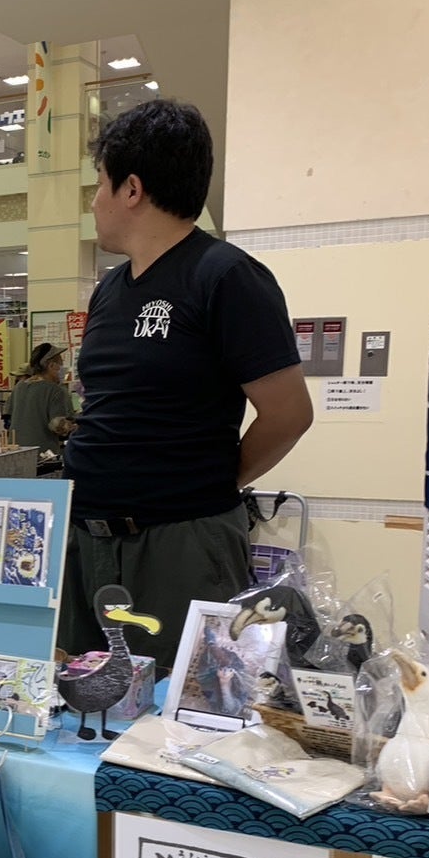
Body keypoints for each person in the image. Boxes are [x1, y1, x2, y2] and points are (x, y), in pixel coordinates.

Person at [60, 100, 312, 672]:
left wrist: (209, 483)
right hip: (89, 539)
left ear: (131, 189)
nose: (94, 202)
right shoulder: (110, 289)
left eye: (98, 184)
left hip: (179, 544)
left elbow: (289, 414)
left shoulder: (226, 276)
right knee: (84, 695)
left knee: (178, 702)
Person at [9, 342, 77, 458]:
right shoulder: (55, 390)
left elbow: (10, 416)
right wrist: (75, 426)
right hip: (43, 455)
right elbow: (58, 426)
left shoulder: (19, 386)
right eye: (60, 364)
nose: (62, 369)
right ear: (51, 365)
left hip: (15, 452)